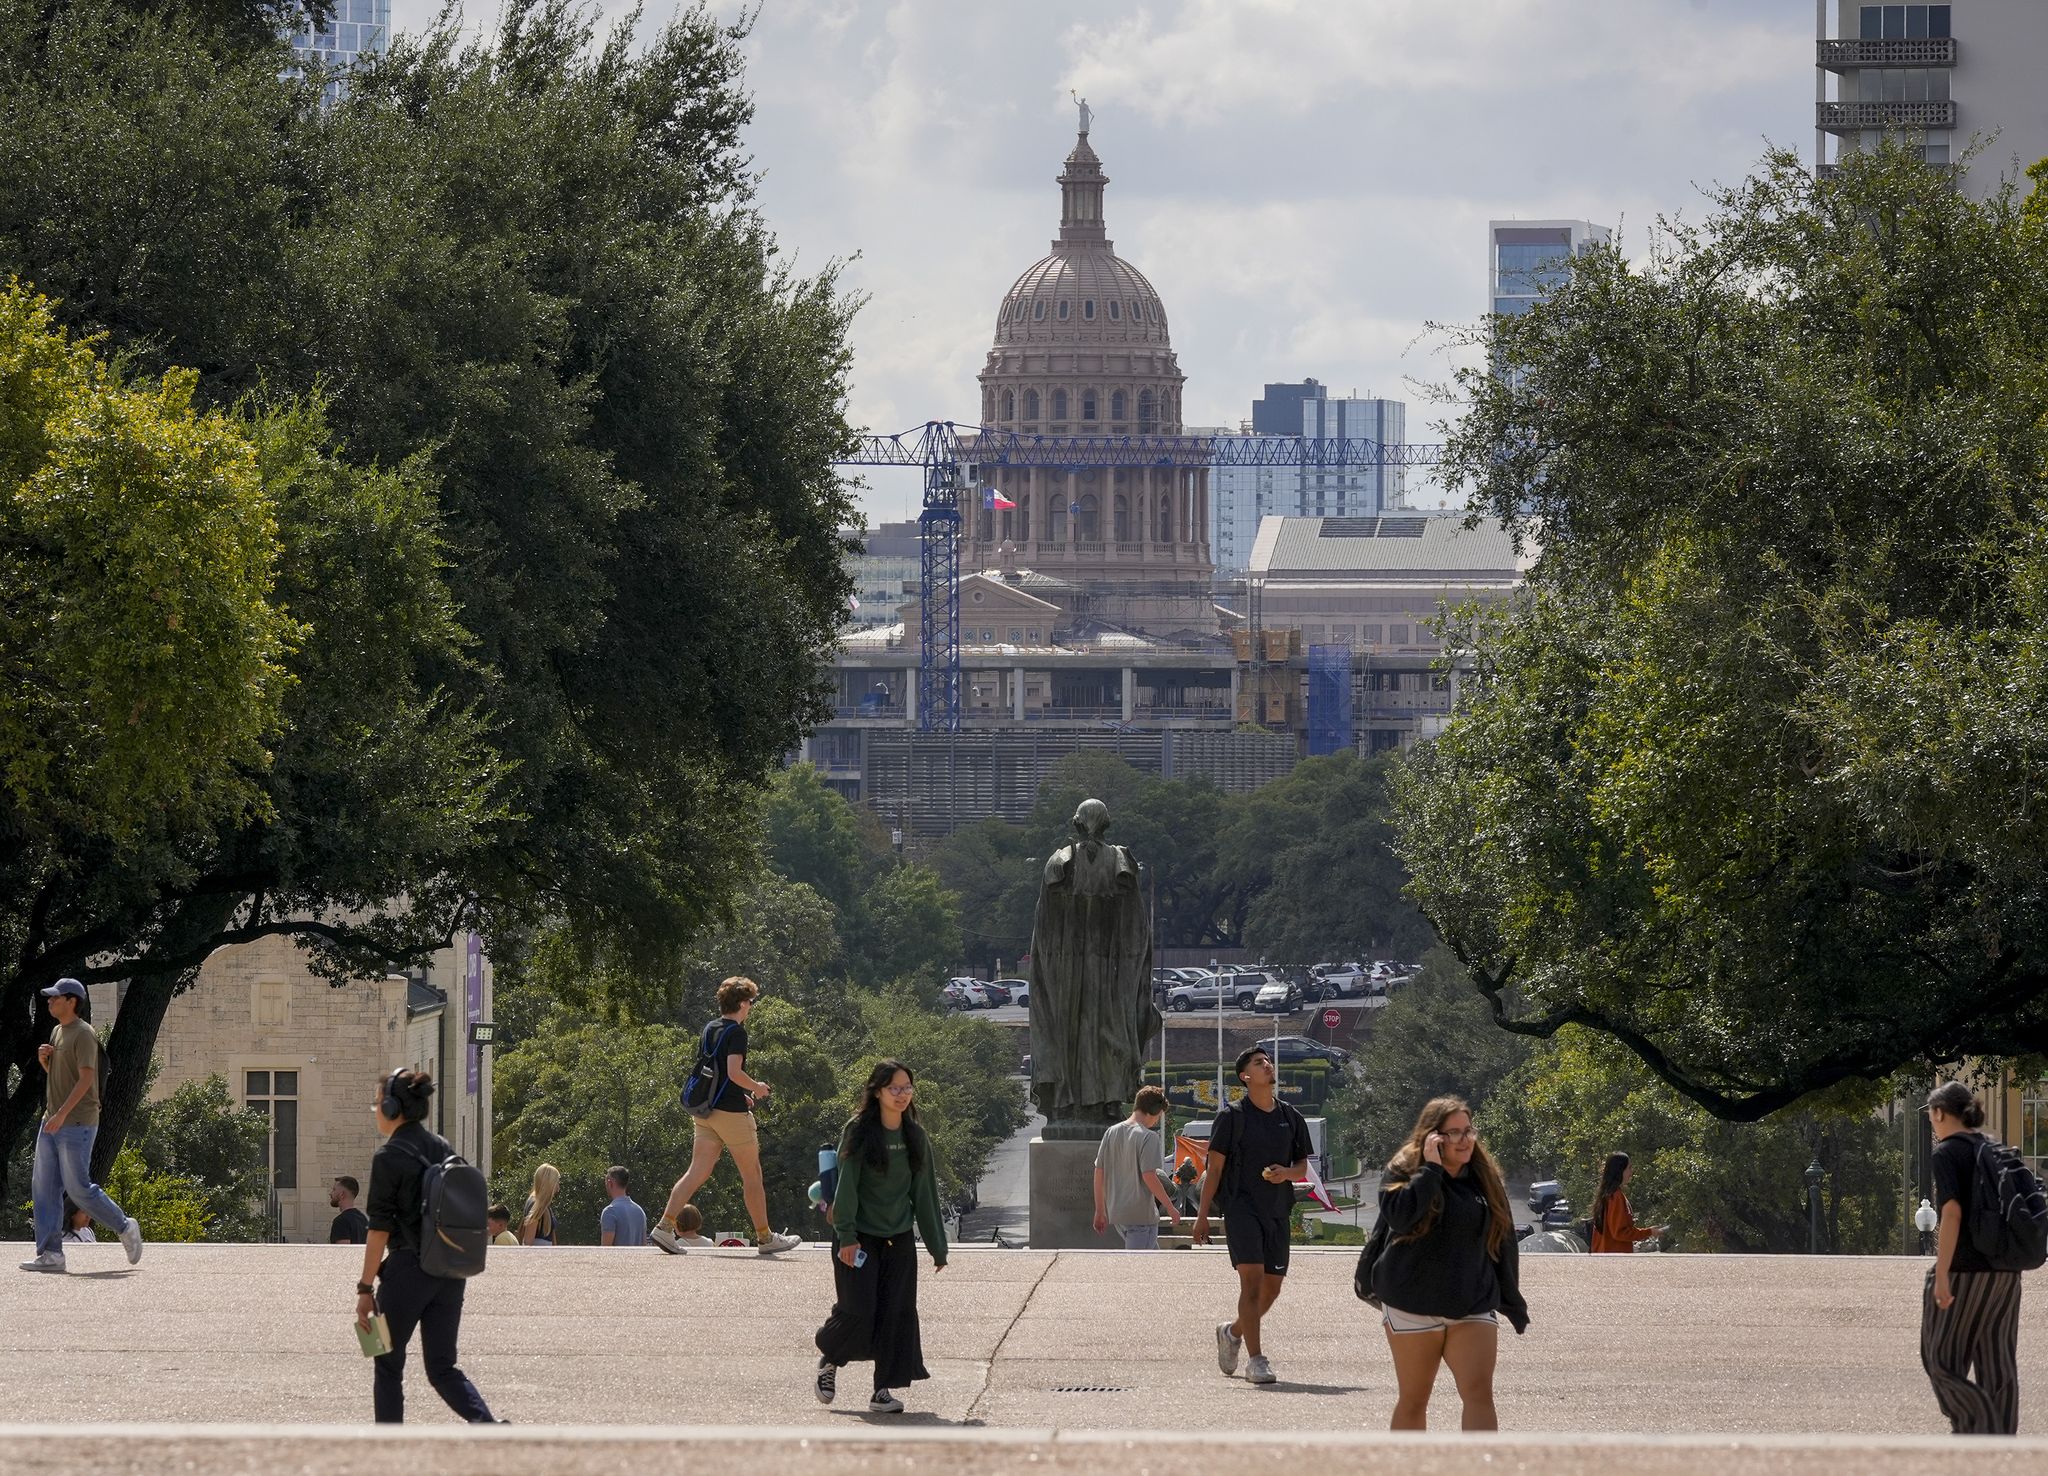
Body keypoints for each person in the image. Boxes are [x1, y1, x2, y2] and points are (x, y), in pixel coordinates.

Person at [1373, 1095, 1528, 1432]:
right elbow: (1400, 1219)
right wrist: (1430, 1169)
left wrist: (1510, 1297)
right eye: (1453, 1132)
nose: (1464, 1140)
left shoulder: (1483, 1176)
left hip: (1471, 1300)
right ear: (1433, 1137)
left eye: (1468, 1131)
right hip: (1412, 1302)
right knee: (1415, 1399)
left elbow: (1503, 1240)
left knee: (1478, 1393)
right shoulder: (1403, 1171)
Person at [354, 1067, 497, 1425]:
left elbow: (379, 1231)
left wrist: (365, 1287)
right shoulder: (441, 1146)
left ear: (390, 1107)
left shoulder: (388, 1157)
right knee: (443, 1367)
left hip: (406, 1274)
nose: (375, 1111)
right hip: (449, 1269)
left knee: (387, 1363)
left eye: (376, 1104)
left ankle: (391, 1451)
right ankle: (489, 1429)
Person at [813, 1060, 948, 1415]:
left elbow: (924, 1194)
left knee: (896, 1313)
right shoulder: (858, 1131)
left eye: (907, 1088)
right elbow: (847, 1189)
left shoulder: (915, 1136)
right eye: (894, 1089)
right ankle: (829, 1358)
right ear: (877, 1092)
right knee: (858, 1309)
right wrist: (846, 1236)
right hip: (858, 1237)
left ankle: (882, 1391)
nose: (902, 1095)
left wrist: (938, 1247)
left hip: (898, 1239)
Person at [650, 977, 801, 1255]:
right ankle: (766, 1238)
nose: (751, 1007)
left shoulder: (711, 1028)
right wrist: (755, 1088)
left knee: (696, 1172)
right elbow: (733, 1071)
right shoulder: (737, 1033)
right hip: (731, 1116)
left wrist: (736, 1093)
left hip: (705, 1111)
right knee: (752, 1175)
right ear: (743, 1003)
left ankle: (665, 1227)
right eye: (751, 1002)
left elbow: (713, 1071)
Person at [1193, 1045, 1311, 1386]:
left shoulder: (1290, 1117)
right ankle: (1256, 1360)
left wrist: (1285, 1174)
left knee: (1271, 1291)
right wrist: (1202, 1217)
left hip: (1277, 1209)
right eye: (1259, 1063)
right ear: (1246, 1077)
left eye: (1268, 1061)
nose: (1267, 1065)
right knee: (1252, 1282)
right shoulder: (1232, 1117)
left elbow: (1302, 1166)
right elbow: (1213, 1170)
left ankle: (1231, 1331)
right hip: (1242, 1207)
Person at [19, 978, 143, 1274]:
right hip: (53, 1120)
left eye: (54, 998)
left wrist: (61, 1114)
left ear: (72, 1001)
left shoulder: (84, 1034)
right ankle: (50, 1253)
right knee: (44, 1188)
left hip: (76, 1123)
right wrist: (45, 1063)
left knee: (78, 1188)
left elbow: (87, 1079)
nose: (49, 1002)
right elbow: (63, 1078)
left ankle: (125, 1226)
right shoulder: (58, 1031)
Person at [1921, 1080, 2022, 1436]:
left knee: (1940, 1361)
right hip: (2007, 1273)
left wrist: (1943, 1272)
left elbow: (1951, 1213)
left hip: (1965, 1271)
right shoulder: (1995, 1149)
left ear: (1939, 1112)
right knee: (1998, 1363)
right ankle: (2001, 1447)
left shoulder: (1946, 1152)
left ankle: (1979, 1425)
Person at [1092, 1085, 1182, 1248]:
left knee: (1152, 1266)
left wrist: (1099, 1210)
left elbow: (1099, 1173)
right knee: (1138, 1270)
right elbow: (1149, 1176)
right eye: (1159, 1116)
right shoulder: (1149, 1137)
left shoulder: (1111, 1132)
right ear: (1154, 1111)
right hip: (1141, 1216)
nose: (1156, 1120)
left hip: (1117, 1214)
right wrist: (1170, 1207)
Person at [1589, 1152, 1664, 1253]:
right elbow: (1619, 1232)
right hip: (1614, 1259)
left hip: (1607, 1257)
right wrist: (1649, 1232)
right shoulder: (1615, 1196)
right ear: (1620, 1170)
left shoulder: (1609, 1194)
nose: (1631, 1172)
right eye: (1629, 1168)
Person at [600, 1165, 649, 1247]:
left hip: (618, 1259)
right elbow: (644, 1245)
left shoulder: (610, 1211)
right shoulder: (640, 1211)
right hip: (637, 1259)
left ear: (610, 1183)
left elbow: (606, 1249)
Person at [520, 1163, 560, 1246]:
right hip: (540, 1255)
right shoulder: (536, 1204)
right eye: (556, 1182)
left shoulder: (542, 1205)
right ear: (550, 1183)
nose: (558, 1188)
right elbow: (528, 1242)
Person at [330, 1176, 370, 1245]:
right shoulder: (363, 1219)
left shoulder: (341, 1221)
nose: (330, 1193)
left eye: (334, 1190)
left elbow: (343, 1252)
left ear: (342, 1194)